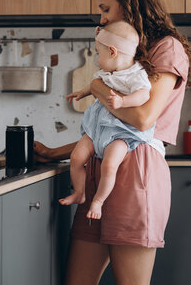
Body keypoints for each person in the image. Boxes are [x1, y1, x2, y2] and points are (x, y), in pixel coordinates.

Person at [34, 0, 191, 285]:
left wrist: (96, 86)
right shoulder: (125, 57)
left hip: (138, 171)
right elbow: (107, 131)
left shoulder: (167, 49)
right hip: (99, 169)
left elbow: (141, 119)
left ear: (129, 0)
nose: (103, 17)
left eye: (105, 7)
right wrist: (55, 153)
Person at [61, 20, 164, 221]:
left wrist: (123, 101)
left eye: (99, 53)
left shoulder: (136, 74)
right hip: (97, 128)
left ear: (113, 52)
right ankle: (80, 192)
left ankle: (98, 201)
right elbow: (95, 85)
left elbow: (143, 95)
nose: (97, 59)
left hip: (120, 133)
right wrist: (82, 93)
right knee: (76, 158)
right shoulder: (108, 72)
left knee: (109, 166)